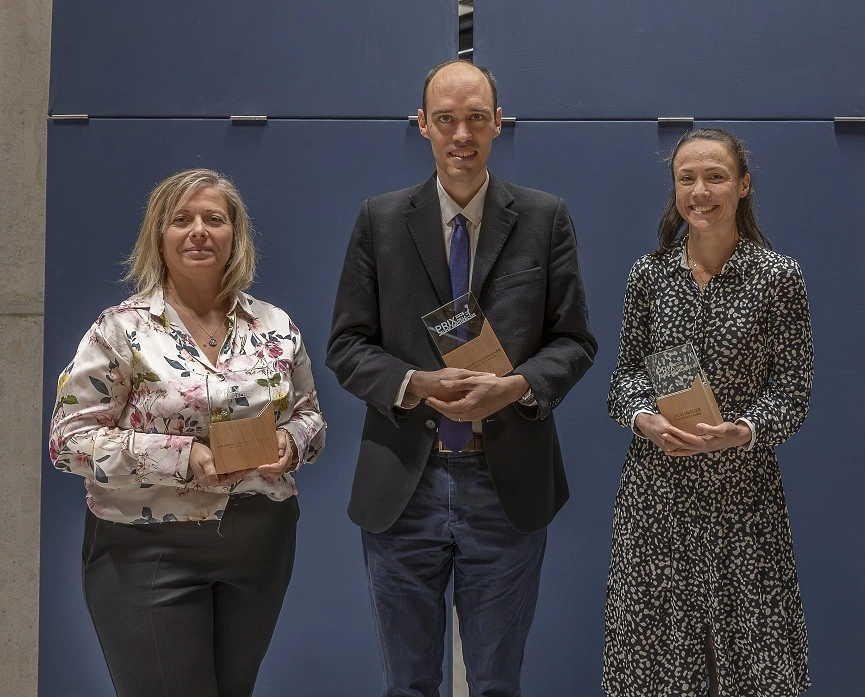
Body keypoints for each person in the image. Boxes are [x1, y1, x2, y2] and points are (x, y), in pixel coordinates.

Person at [326, 59, 596, 697]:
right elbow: (345, 345)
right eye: (445, 119)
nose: (461, 135)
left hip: (504, 486)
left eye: (476, 118)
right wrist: (413, 382)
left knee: (497, 683)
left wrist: (514, 387)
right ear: (422, 126)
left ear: (498, 124)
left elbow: (575, 341)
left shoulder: (544, 217)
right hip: (404, 485)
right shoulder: (380, 220)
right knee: (408, 685)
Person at [48, 168, 327, 697]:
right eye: (182, 219)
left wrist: (291, 445)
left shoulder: (275, 326)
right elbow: (67, 441)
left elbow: (310, 420)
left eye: (213, 219)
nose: (198, 230)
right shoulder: (120, 329)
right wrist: (180, 455)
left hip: (259, 541)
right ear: (160, 235)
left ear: (234, 236)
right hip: (147, 548)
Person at [604, 128, 814, 697]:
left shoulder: (777, 277)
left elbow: (794, 394)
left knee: (753, 665)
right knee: (655, 667)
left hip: (743, 498)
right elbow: (624, 379)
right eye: (687, 178)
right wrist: (643, 417)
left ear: (743, 186)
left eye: (715, 176)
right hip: (656, 498)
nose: (701, 191)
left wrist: (742, 430)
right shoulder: (649, 276)